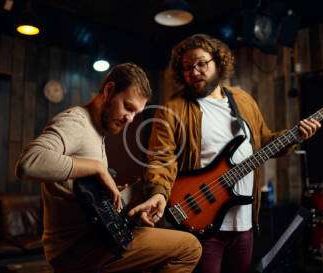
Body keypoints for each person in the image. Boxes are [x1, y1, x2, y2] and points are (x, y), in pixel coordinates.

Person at [140, 34, 321, 273]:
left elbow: (262, 141)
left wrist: (295, 136)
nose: (194, 72)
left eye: (201, 63)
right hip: (202, 221)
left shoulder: (243, 99)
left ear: (218, 62)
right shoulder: (174, 108)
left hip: (244, 220)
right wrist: (159, 192)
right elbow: (161, 158)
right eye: (187, 67)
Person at [15, 63, 202, 273]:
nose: (130, 119)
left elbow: (86, 199)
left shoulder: (97, 131)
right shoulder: (76, 122)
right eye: (128, 107)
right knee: (190, 248)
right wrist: (97, 168)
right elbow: (29, 163)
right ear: (109, 90)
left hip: (95, 238)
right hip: (76, 249)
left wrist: (136, 199)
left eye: (136, 113)